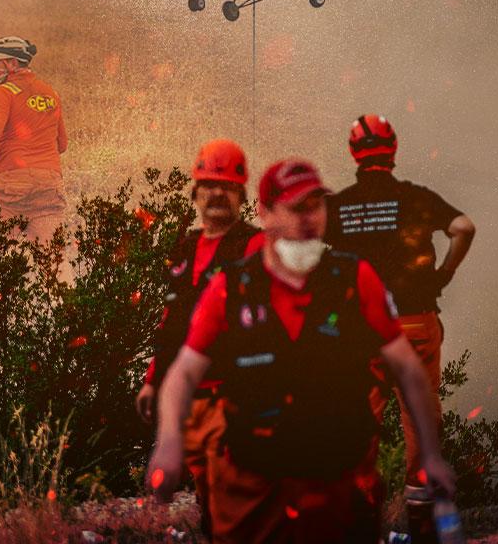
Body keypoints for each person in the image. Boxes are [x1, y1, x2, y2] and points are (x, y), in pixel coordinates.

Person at [148, 159, 456, 543]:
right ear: (265, 214)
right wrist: (170, 442)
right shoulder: (232, 288)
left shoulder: (354, 279)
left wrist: (430, 454)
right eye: (296, 208)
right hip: (256, 488)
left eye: (316, 206)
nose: (309, 220)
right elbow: (183, 373)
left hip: (339, 487)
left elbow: (409, 370)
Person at [325, 113, 476, 541]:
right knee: (420, 425)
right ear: (393, 151)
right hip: (414, 324)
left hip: (363, 334)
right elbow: (464, 227)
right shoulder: (415, 198)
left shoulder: (341, 205)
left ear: (354, 153)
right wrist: (444, 273)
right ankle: (420, 529)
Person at [135, 139, 263, 538]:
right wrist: (153, 379)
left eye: (227, 187)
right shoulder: (185, 246)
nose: (218, 195)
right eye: (210, 186)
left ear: (242, 195)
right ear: (195, 193)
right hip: (189, 399)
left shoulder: (255, 246)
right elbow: (171, 317)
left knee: (236, 498)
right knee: (209, 501)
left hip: (234, 396)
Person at [0, 36, 67, 241]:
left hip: (13, 188)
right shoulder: (51, 93)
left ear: (12, 63)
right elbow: (62, 144)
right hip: (49, 187)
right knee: (53, 260)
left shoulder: (5, 92)